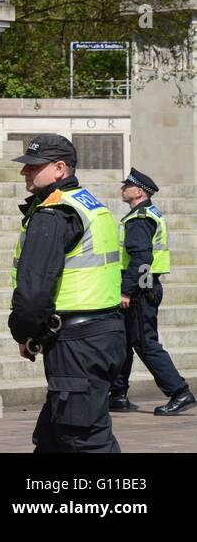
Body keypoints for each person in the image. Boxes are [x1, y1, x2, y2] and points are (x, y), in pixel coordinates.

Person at [10, 134, 126, 452]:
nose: (25, 172)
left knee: (84, 440)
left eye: (33, 166)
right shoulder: (89, 205)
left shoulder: (53, 214)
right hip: (104, 334)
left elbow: (34, 293)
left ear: (60, 168)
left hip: (77, 345)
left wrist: (24, 333)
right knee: (53, 438)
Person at [110, 167, 193, 416]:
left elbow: (142, 258)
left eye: (127, 186)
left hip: (140, 289)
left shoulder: (140, 218)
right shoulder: (144, 215)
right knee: (124, 342)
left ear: (139, 192)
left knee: (146, 344)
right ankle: (117, 394)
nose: (122, 188)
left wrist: (127, 291)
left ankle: (179, 392)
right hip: (144, 286)